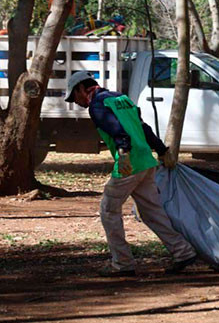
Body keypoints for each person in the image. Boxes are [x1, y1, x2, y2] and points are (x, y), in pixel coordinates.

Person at [65, 69, 198, 277]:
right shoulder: (121, 98)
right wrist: (162, 150)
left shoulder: (97, 104)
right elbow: (143, 128)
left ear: (82, 88)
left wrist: (123, 153)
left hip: (129, 163)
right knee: (152, 212)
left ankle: (122, 263)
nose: (76, 102)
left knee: (108, 210)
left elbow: (116, 129)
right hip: (146, 161)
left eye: (74, 96)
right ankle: (183, 252)